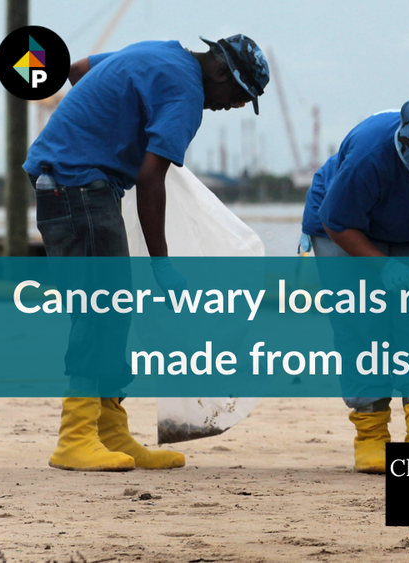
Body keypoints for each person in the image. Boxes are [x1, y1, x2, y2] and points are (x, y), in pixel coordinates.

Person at [23, 34, 270, 471]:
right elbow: (151, 178)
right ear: (218, 74)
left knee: (112, 310)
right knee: (99, 310)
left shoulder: (159, 52)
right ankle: (75, 437)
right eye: (236, 96)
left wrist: (100, 124)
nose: (230, 107)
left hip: (71, 181)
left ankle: (110, 432)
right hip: (77, 186)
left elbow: (79, 69)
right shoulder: (187, 93)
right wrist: (162, 262)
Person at [299, 99, 409, 473]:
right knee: (361, 323)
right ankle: (371, 435)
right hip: (344, 227)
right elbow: (338, 222)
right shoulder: (372, 155)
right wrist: (383, 268)